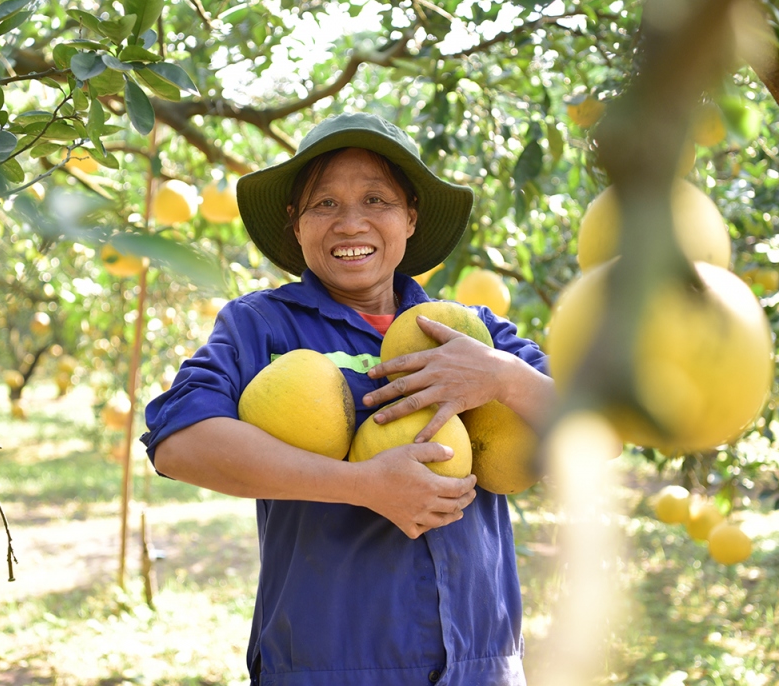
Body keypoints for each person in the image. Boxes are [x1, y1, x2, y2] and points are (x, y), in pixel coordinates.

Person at [143, 111, 556, 685]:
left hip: (481, 664)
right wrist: (363, 486)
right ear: (295, 224)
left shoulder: (473, 332)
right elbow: (180, 445)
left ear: (410, 217)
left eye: (376, 200)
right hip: (328, 664)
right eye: (325, 204)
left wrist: (501, 377)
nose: (350, 223)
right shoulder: (263, 326)